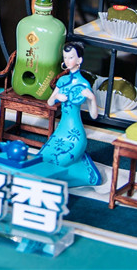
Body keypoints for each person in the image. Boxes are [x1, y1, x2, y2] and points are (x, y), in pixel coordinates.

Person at [38, 41, 102, 186]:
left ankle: (82, 174)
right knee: (44, 157)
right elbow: (49, 102)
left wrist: (92, 98)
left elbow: (94, 116)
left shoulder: (84, 84)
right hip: (61, 131)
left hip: (75, 134)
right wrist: (56, 96)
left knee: (60, 160)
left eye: (71, 57)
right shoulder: (62, 80)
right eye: (65, 57)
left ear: (79, 60)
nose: (67, 61)